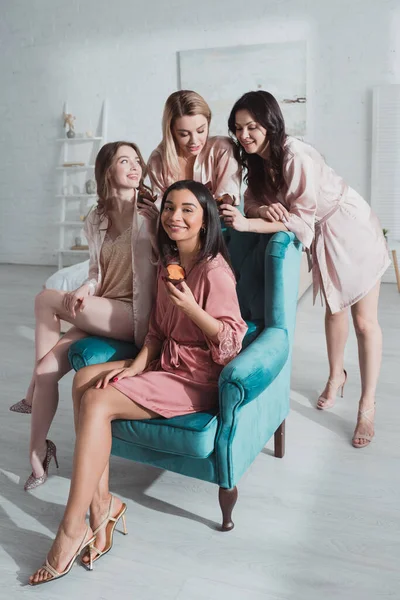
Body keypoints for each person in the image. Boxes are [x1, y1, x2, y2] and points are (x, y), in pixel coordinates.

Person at [29, 180, 247, 585]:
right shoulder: (168, 263)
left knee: (97, 401)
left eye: (187, 210)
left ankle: (72, 526)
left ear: (205, 220)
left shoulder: (215, 271)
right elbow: (156, 334)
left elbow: (230, 345)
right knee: (85, 380)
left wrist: (193, 309)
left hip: (196, 378)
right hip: (164, 364)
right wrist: (134, 367)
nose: (175, 217)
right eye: (169, 209)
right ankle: (105, 506)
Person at [221, 90, 390, 449]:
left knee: (363, 321)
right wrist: (263, 211)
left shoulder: (293, 155)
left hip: (348, 226)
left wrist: (249, 225)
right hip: (323, 233)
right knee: (333, 308)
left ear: (270, 123)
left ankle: (367, 405)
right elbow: (251, 200)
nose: (244, 135)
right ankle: (335, 377)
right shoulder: (256, 160)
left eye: (252, 126)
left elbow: (302, 224)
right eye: (238, 128)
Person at [10, 141, 160, 491]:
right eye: (125, 161)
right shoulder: (96, 218)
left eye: (137, 160)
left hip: (136, 315)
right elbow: (96, 270)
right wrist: (87, 288)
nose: (135, 166)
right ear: (108, 170)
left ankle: (30, 391)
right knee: (48, 369)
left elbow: (163, 263)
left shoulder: (150, 212)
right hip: (105, 305)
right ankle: (38, 451)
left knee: (45, 299)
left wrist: (154, 230)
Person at [147, 90, 241, 205]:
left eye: (201, 131)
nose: (194, 141)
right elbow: (159, 210)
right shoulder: (158, 160)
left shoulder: (223, 149)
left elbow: (226, 201)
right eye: (184, 134)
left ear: (208, 122)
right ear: (171, 131)